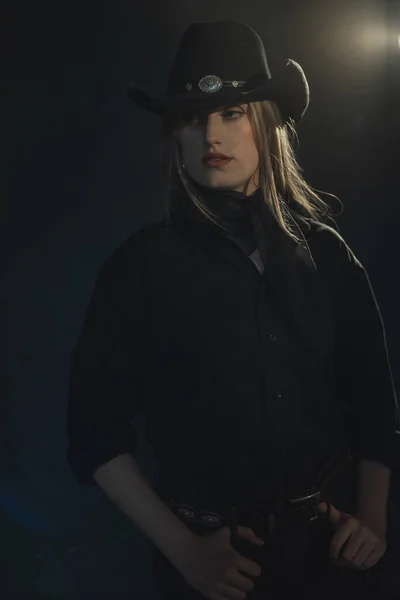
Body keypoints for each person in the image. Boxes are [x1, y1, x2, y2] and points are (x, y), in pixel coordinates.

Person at [66, 20, 399, 600]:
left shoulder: (326, 254)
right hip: (207, 569)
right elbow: (94, 434)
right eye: (193, 116)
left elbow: (377, 405)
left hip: (334, 562)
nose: (210, 134)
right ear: (175, 135)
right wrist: (186, 552)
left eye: (232, 113)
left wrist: (373, 520)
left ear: (266, 126)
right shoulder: (140, 267)